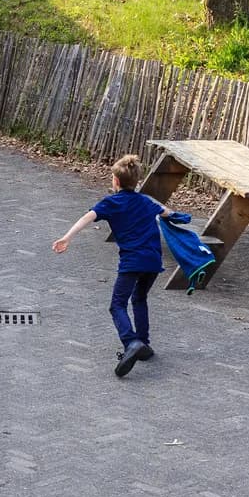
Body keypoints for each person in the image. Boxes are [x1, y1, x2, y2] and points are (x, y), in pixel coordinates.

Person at [51, 153, 178, 378]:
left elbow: (86, 218)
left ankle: (131, 342)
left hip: (132, 262)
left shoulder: (111, 202)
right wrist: (180, 217)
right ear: (137, 181)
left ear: (116, 181)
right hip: (152, 261)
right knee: (139, 298)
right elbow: (169, 214)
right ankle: (144, 344)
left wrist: (67, 237)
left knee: (117, 305)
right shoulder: (146, 202)